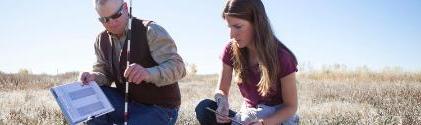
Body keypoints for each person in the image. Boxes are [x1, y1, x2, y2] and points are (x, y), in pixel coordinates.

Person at [79, 0, 186, 124]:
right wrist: (94, 77)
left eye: (115, 16)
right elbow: (104, 74)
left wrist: (148, 73)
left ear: (125, 7)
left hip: (159, 108)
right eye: (105, 20)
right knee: (91, 98)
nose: (112, 23)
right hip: (125, 102)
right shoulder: (101, 40)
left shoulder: (150, 30)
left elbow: (179, 67)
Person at [195, 0, 299, 125]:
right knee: (204, 108)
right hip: (248, 117)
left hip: (275, 120)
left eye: (237, 27)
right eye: (230, 27)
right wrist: (222, 101)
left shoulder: (282, 57)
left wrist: (263, 123)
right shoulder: (230, 50)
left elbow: (291, 107)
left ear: (257, 23)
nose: (231, 35)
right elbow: (221, 90)